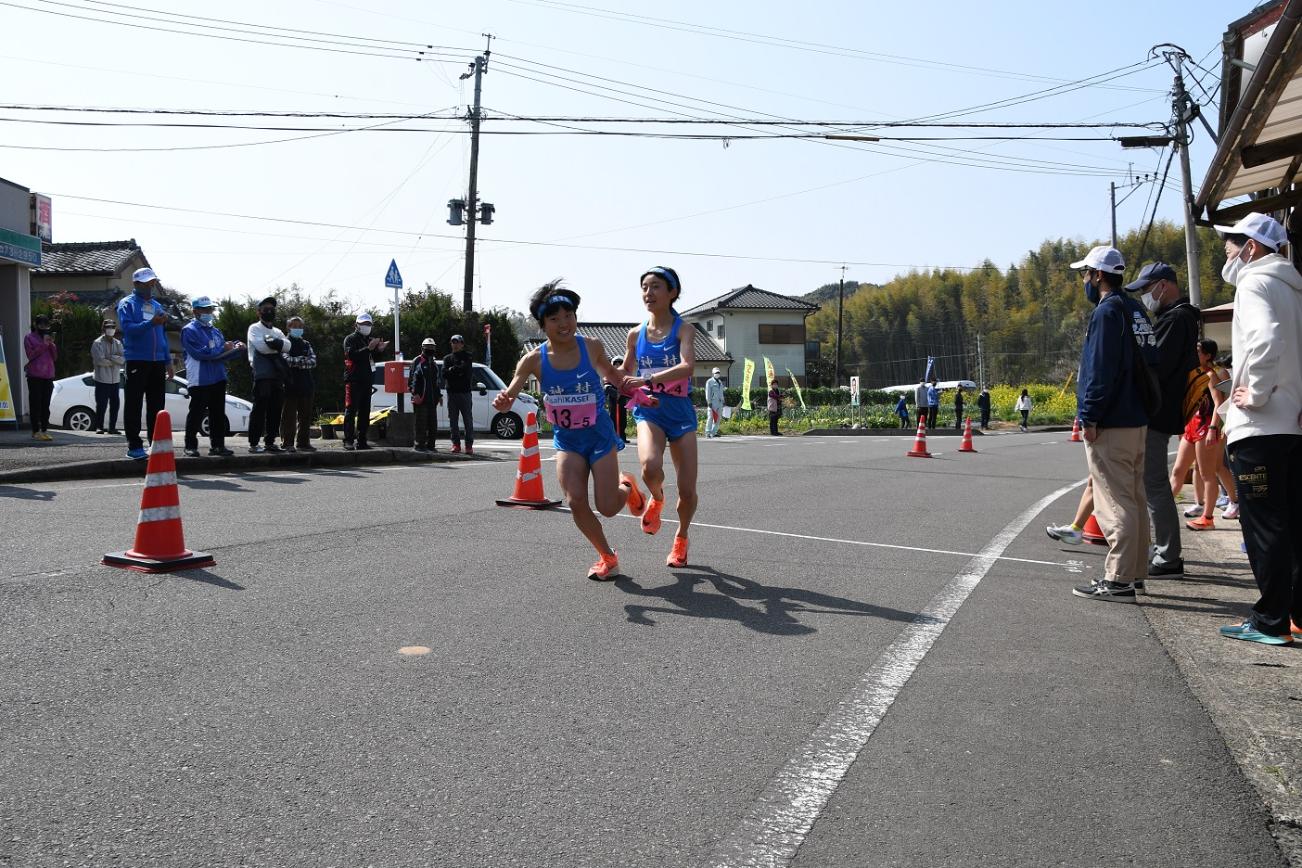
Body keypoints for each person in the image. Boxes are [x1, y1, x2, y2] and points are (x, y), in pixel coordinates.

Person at [494, 282, 645, 580]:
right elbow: (510, 394)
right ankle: (607, 557)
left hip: (599, 436)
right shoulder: (533, 360)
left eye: (569, 315)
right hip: (567, 441)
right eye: (554, 319)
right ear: (542, 324)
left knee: (608, 507)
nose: (564, 323)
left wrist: (634, 386)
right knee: (576, 501)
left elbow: (615, 377)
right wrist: (503, 402)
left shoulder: (591, 347)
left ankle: (626, 486)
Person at [1212, 212, 1302, 645]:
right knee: (1293, 523)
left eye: (1230, 244)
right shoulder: (1294, 287)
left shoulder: (1254, 281)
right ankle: (1296, 614)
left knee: (1266, 527)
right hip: (1294, 425)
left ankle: (1270, 621)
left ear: (1250, 247)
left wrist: (1258, 392)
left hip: (1261, 426)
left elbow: (1267, 337)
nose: (1225, 252)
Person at [1068, 245, 1156, 602]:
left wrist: (1090, 414)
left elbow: (1100, 369)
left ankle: (1118, 579)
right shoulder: (1136, 309)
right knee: (1134, 498)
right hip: (1136, 418)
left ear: (1099, 275)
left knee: (1115, 502)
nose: (1085, 281)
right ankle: (1135, 575)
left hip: (1113, 421)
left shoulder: (1108, 312)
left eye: (1086, 274)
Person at [619, 265, 699, 569]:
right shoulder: (635, 334)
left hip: (679, 411)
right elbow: (626, 371)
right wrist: (609, 379)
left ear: (672, 293)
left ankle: (681, 537)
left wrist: (648, 379)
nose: (648, 293)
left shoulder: (684, 329)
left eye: (655, 287)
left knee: (688, 490)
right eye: (644, 287)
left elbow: (687, 366)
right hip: (648, 408)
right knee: (650, 467)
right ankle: (656, 497)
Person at [1124, 261, 1200, 579]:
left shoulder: (1176, 319)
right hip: (1161, 412)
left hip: (1157, 413)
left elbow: (1156, 366)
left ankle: (1169, 556)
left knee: (1154, 483)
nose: (1145, 296)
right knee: (1151, 482)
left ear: (1164, 285)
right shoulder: (1178, 318)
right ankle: (1164, 550)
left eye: (1147, 289)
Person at [116, 267, 172, 460]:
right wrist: (151, 323)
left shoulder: (157, 305)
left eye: (153, 282)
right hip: (137, 359)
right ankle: (134, 445)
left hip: (157, 361)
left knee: (157, 405)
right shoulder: (127, 304)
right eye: (147, 282)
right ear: (136, 284)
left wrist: (168, 361)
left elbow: (162, 335)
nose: (151, 285)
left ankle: (155, 444)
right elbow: (128, 329)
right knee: (134, 403)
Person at [180, 297, 241, 457]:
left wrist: (236, 348)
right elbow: (200, 353)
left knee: (218, 413)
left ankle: (218, 445)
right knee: (197, 412)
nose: (209, 312)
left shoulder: (215, 330)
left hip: (218, 376)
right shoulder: (189, 330)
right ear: (195, 311)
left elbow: (223, 355)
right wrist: (223, 348)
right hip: (200, 378)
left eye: (210, 309)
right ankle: (190, 446)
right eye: (205, 309)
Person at [246, 296, 292, 454]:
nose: (269, 311)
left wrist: (273, 342)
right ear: (259, 312)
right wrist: (277, 345)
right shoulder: (254, 328)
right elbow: (262, 348)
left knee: (275, 409)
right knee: (259, 409)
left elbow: (288, 346)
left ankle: (270, 442)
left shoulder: (277, 331)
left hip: (277, 374)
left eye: (272, 308)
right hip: (261, 374)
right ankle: (253, 443)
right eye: (265, 308)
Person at [342, 313, 388, 451]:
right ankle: (348, 440)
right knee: (351, 410)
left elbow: (372, 358)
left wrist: (379, 350)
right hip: (353, 379)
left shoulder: (369, 339)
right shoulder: (350, 339)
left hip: (367, 380)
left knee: (364, 412)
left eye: (368, 324)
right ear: (356, 325)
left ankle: (362, 440)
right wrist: (369, 348)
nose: (366, 326)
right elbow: (352, 355)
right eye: (363, 324)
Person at [280, 315, 317, 453]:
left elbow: (313, 361)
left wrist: (297, 361)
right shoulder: (284, 343)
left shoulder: (306, 344)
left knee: (305, 416)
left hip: (307, 385)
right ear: (288, 327)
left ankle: (303, 443)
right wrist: (302, 360)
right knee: (288, 416)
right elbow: (286, 360)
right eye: (294, 326)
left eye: (300, 326)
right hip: (289, 385)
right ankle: (287, 443)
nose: (298, 329)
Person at [23, 314, 57, 441]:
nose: (44, 327)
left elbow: (55, 357)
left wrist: (52, 345)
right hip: (35, 375)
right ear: (36, 325)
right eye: (41, 324)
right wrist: (43, 344)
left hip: (48, 375)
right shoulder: (29, 337)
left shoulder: (48, 338)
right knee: (35, 403)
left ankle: (44, 430)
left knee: (45, 404)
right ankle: (35, 431)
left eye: (46, 325)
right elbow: (30, 355)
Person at [90, 318, 124, 434]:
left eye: (113, 327)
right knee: (101, 404)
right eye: (108, 327)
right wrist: (115, 359)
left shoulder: (118, 343)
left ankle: (112, 427)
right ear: (103, 328)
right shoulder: (97, 343)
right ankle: (99, 426)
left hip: (115, 380)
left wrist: (111, 358)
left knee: (115, 405)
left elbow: (123, 359)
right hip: (102, 379)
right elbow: (100, 360)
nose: (111, 329)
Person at [408, 337, 442, 453]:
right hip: (420, 399)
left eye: (432, 347)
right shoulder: (417, 361)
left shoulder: (434, 363)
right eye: (427, 347)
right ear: (422, 348)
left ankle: (431, 446)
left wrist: (439, 396)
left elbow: (437, 382)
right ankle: (419, 445)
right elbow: (411, 380)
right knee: (420, 423)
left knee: (433, 424)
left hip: (432, 399)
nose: (430, 349)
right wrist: (415, 393)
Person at [443, 334, 475, 454]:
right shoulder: (447, 359)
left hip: (465, 393)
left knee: (467, 420)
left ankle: (469, 445)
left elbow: (466, 372)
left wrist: (452, 371)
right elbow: (444, 374)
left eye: (457, 342)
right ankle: (456, 444)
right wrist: (455, 371)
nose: (455, 345)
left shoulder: (467, 357)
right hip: (452, 394)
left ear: (462, 344)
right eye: (453, 342)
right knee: (453, 420)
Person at [603, 356, 630, 446]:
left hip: (622, 400)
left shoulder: (625, 375)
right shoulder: (609, 375)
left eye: (620, 364)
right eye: (616, 364)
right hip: (613, 400)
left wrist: (624, 393)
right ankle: (614, 437)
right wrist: (615, 393)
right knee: (613, 418)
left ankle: (622, 436)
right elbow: (606, 387)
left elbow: (629, 387)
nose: (618, 366)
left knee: (623, 418)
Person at [704, 366, 725, 438]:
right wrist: (708, 401)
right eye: (716, 372)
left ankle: (714, 432)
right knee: (710, 417)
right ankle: (708, 432)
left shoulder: (720, 382)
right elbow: (708, 392)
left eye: (718, 372)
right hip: (712, 402)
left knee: (718, 418)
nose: (717, 374)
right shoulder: (709, 382)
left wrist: (723, 400)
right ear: (713, 373)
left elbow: (721, 392)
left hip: (720, 403)